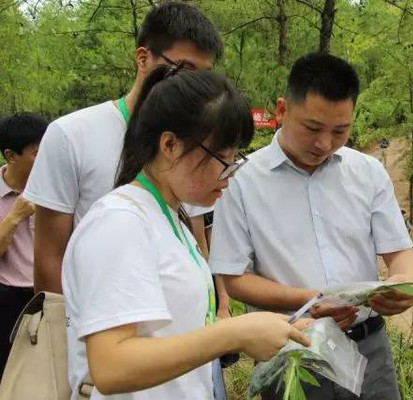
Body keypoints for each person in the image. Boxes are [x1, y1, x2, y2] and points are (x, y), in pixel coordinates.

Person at [62, 66, 311, 400]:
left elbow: (172, 332)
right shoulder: (120, 223)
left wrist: (268, 328)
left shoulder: (170, 220)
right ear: (170, 144)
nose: (229, 174)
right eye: (222, 159)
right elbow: (111, 365)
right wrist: (234, 334)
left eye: (236, 159)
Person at [209, 53, 413, 399]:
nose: (324, 143)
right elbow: (234, 278)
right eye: (312, 128)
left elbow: (401, 253)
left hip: (369, 348)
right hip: (293, 349)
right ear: (282, 110)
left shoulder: (367, 173)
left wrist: (403, 281)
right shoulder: (242, 180)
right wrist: (310, 300)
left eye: (340, 130)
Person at [23, 2, 225, 299]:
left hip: (179, 331)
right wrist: (73, 335)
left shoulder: (196, 146)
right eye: (184, 70)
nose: (194, 86)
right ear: (143, 58)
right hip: (100, 328)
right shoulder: (70, 135)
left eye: (203, 75)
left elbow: (197, 241)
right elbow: (50, 258)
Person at [0, 113, 47, 377]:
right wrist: (15, 216)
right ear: (11, 156)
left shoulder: (54, 189)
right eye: (36, 153)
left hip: (48, 295)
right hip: (7, 299)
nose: (45, 160)